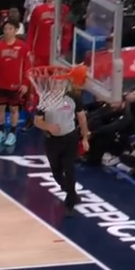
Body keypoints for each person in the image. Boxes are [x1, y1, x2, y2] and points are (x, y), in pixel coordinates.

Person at [33, 74, 88, 211]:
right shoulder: (45, 99)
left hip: (70, 137)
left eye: (61, 83)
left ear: (65, 84)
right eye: (56, 83)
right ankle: (69, 190)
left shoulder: (74, 97)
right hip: (52, 140)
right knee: (56, 171)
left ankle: (70, 201)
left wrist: (85, 138)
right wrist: (48, 127)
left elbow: (82, 118)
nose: (58, 86)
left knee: (69, 168)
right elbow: (37, 121)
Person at [0, 20, 29, 146]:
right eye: (5, 29)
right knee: (0, 108)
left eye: (10, 29)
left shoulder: (23, 46)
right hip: (0, 83)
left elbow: (27, 66)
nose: (7, 31)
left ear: (16, 30)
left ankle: (13, 133)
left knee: (14, 108)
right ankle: (1, 131)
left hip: (16, 84)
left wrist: (25, 83)